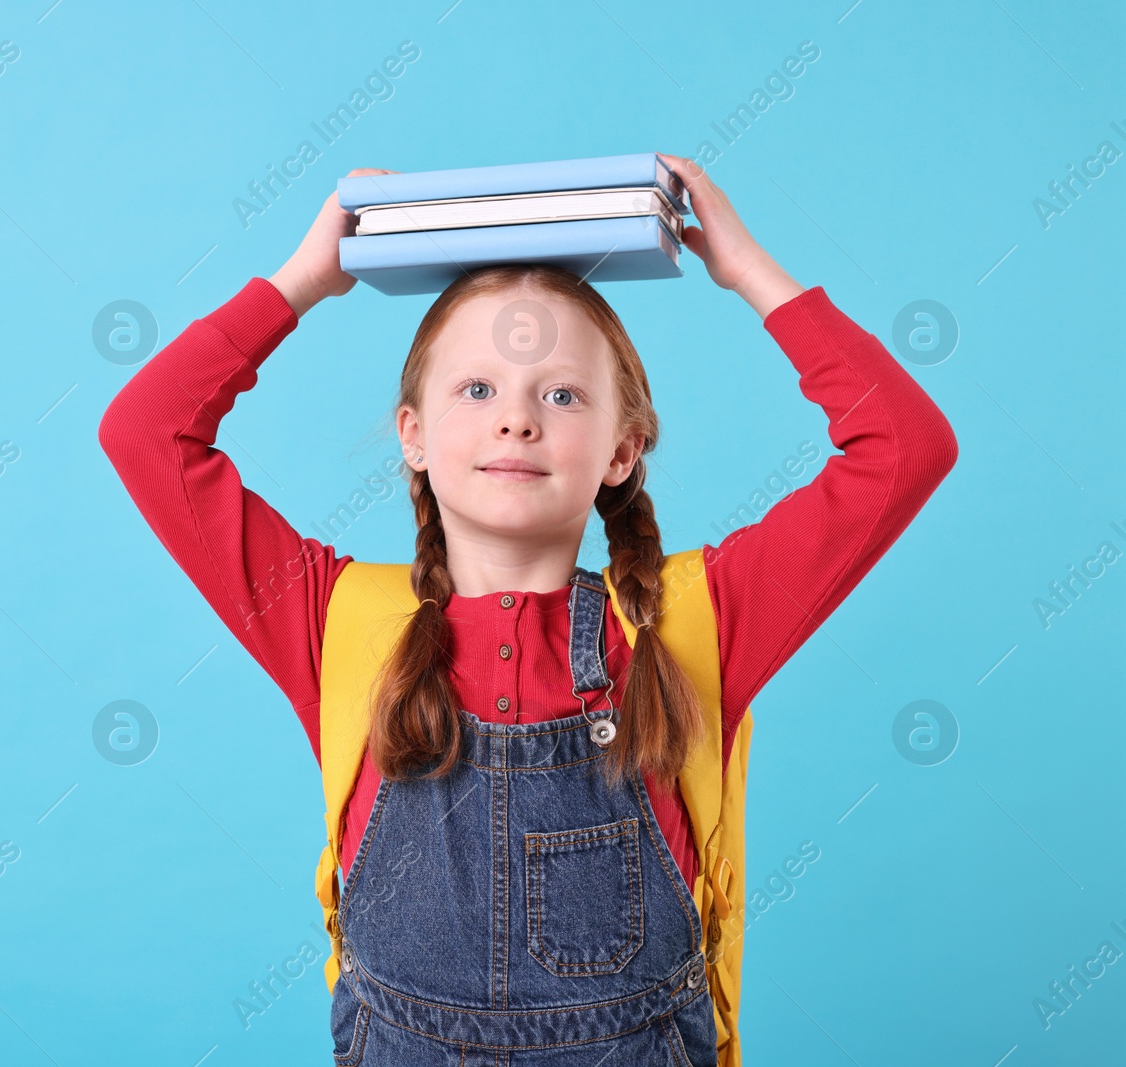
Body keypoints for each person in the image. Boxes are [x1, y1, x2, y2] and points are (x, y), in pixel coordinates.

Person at [98, 155, 958, 1064]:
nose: (517, 418)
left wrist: (746, 270)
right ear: (413, 435)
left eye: (561, 393)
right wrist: (304, 281)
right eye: (477, 388)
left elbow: (904, 447)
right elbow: (148, 433)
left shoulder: (695, 624)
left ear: (623, 449)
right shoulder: (333, 621)